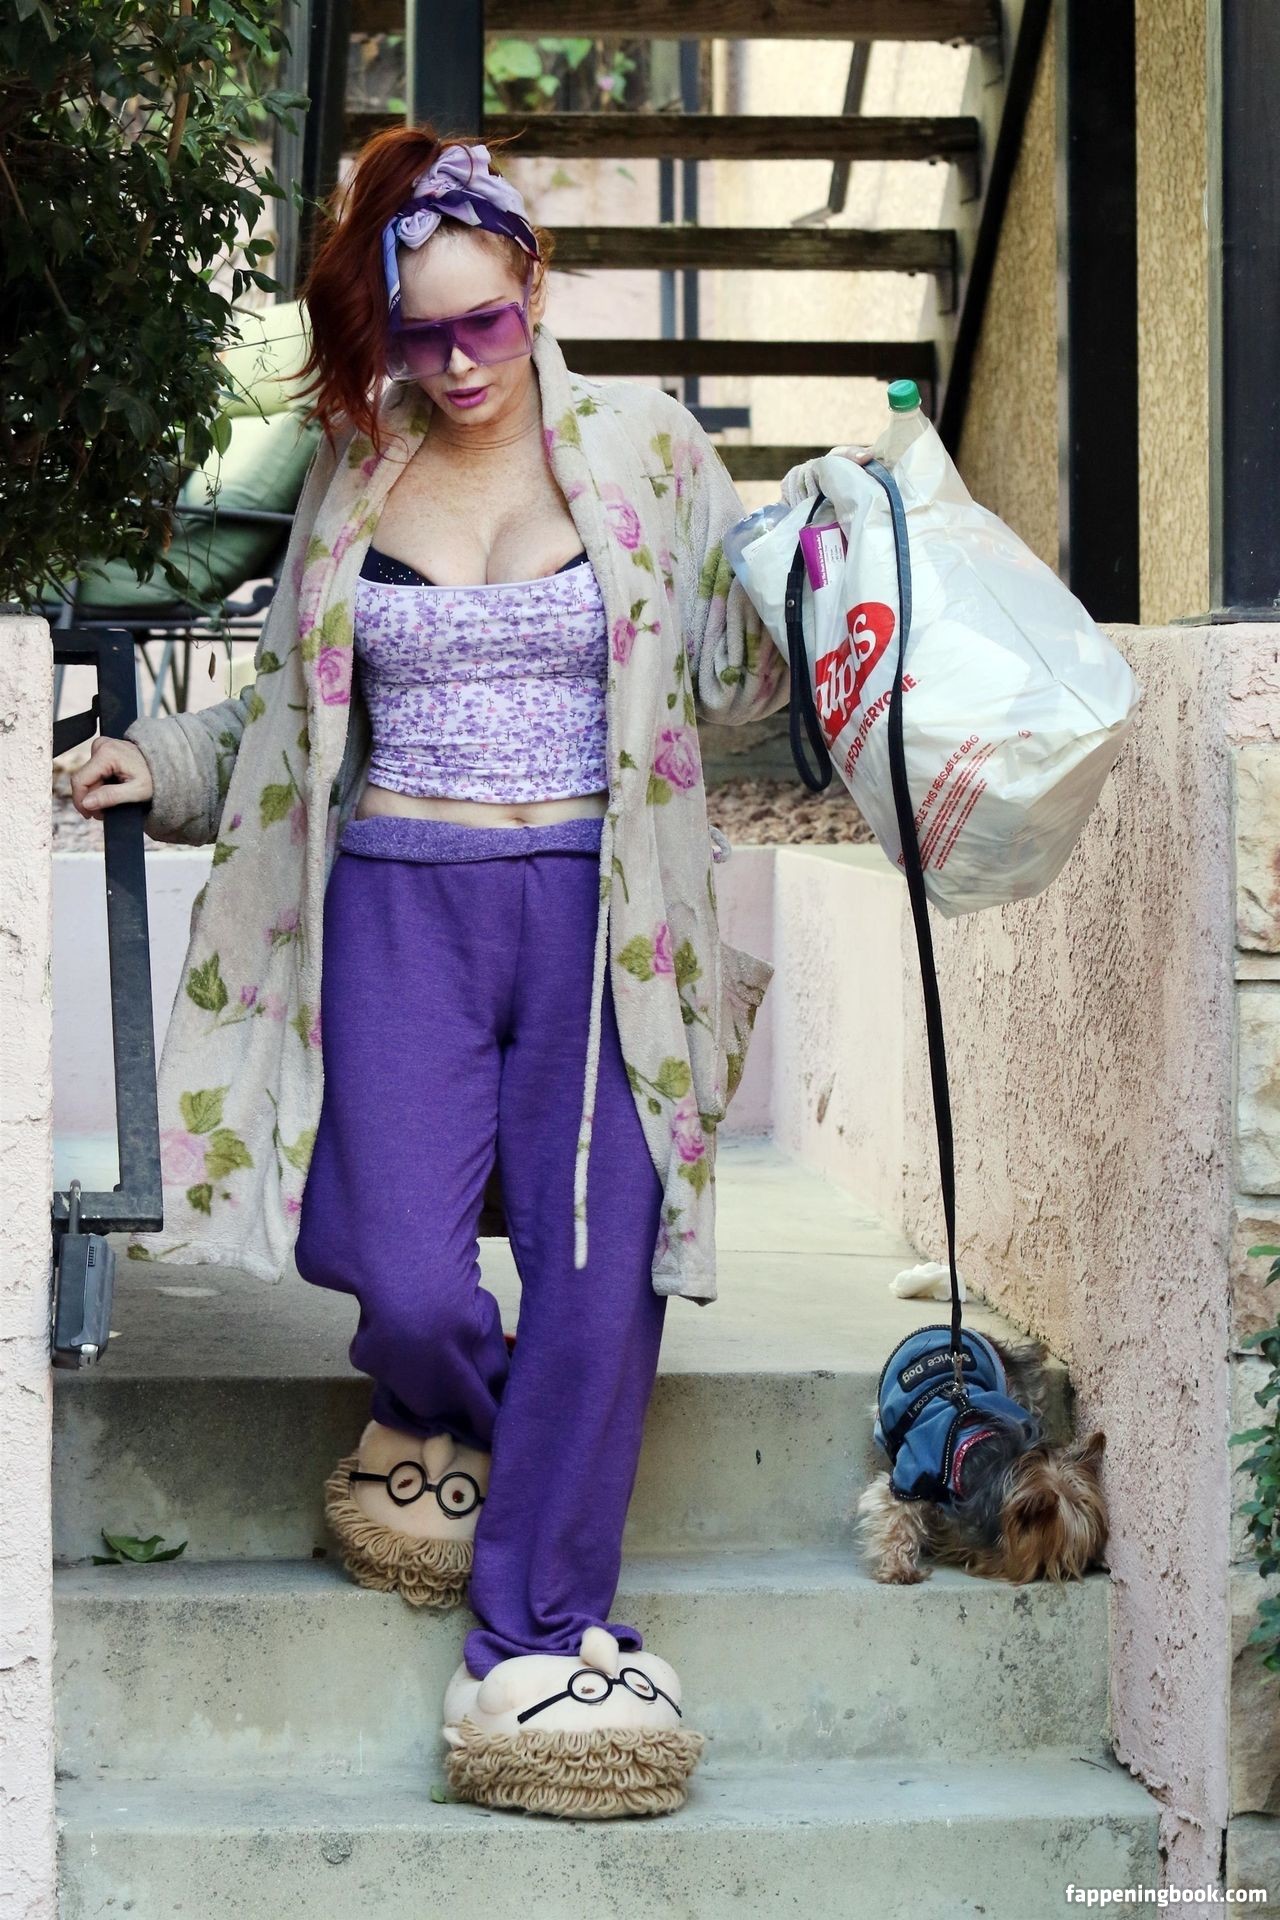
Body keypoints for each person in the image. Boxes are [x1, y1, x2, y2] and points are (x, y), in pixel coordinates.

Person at [70, 126, 792, 1818]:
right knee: (395, 1268)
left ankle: (537, 1633)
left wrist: (835, 587)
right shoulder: (358, 465)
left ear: (538, 285)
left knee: (598, 1276)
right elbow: (288, 703)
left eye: (486, 323)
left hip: (603, 913)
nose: (459, 364)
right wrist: (159, 762)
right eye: (421, 335)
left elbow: (736, 671)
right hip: (402, 898)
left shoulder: (649, 449)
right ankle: (468, 1413)